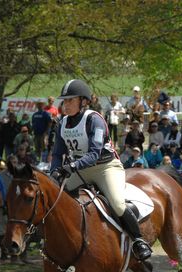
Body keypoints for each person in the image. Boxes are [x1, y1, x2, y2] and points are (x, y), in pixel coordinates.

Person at [50, 79, 151, 261]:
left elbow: (95, 154)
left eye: (70, 100)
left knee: (118, 204)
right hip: (80, 169)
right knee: (54, 198)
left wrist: (71, 167)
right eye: (64, 101)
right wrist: (54, 173)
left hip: (105, 167)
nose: (66, 105)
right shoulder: (62, 124)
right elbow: (57, 153)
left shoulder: (94, 119)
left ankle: (138, 240)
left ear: (83, 101)